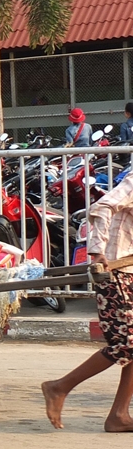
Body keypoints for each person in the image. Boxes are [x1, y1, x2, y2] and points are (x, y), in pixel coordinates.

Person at [42, 173, 133, 431]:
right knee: (127, 343)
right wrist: (96, 252)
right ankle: (59, 387)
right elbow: (102, 206)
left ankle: (119, 415)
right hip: (112, 269)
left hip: (129, 270)